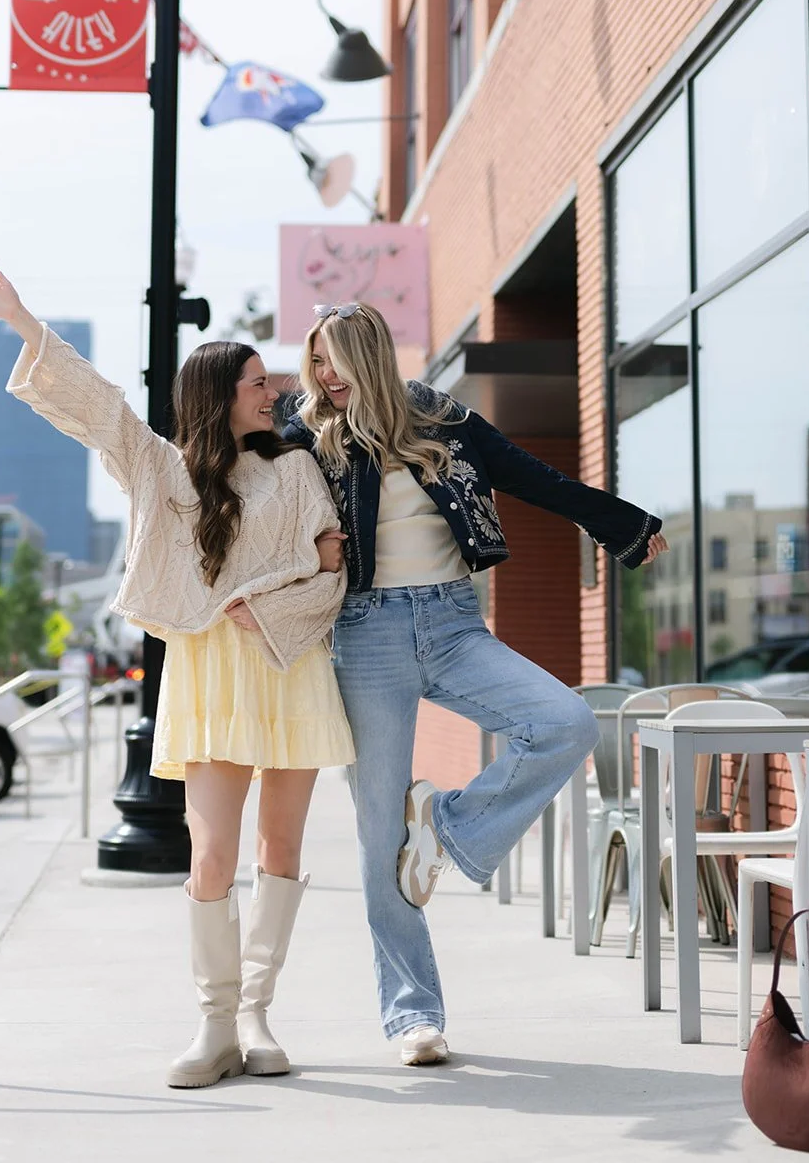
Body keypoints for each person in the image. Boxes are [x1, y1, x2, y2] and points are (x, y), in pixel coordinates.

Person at [0, 264, 353, 1089]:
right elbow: (102, 411)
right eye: (255, 382)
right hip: (210, 677)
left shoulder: (298, 470)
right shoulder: (163, 469)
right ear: (218, 394)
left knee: (280, 847)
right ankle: (213, 1024)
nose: (271, 391)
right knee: (210, 856)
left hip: (289, 667)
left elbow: (332, 573)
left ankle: (255, 1013)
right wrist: (27, 326)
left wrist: (272, 603)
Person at [283, 300, 668, 1067]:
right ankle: (412, 1017)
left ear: (371, 357)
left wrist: (621, 525)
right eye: (315, 362)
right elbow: (246, 494)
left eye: (337, 360)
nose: (325, 376)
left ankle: (449, 826)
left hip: (454, 624)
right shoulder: (305, 436)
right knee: (377, 840)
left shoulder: (444, 421)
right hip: (364, 635)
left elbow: (534, 478)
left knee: (564, 722)